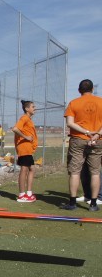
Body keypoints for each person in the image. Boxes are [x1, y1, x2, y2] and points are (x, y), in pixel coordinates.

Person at [60, 79, 102, 211]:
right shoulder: (100, 102)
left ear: (79, 90)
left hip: (78, 139)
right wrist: (97, 134)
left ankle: (72, 203)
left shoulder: (74, 103)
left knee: (75, 172)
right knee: (95, 172)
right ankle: (93, 204)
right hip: (97, 140)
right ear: (92, 89)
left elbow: (70, 123)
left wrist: (86, 132)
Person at [11, 100, 38, 202]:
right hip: (24, 148)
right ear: (27, 109)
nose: (35, 108)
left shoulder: (28, 119)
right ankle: (22, 195)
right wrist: (26, 137)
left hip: (28, 148)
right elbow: (15, 129)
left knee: (32, 169)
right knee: (24, 169)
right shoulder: (24, 118)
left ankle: (29, 193)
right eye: (32, 107)